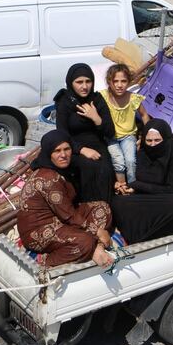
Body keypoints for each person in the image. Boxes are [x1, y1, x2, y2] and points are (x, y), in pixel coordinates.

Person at [17, 130, 114, 267]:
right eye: (57, 151)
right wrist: (97, 232)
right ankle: (45, 261)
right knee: (85, 242)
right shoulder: (48, 178)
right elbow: (68, 216)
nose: (63, 155)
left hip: (60, 218)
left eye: (67, 149)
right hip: (39, 230)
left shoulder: (61, 169)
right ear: (49, 153)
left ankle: (95, 247)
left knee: (102, 208)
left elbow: (68, 211)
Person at [111, 119, 173, 244]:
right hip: (141, 200)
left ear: (166, 139)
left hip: (162, 201)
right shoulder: (142, 154)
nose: (152, 145)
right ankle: (136, 235)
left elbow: (172, 190)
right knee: (117, 201)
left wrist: (137, 185)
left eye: (157, 140)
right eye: (149, 140)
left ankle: (140, 235)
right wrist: (125, 188)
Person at [55, 63, 116, 204]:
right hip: (73, 146)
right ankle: (86, 210)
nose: (84, 86)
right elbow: (62, 134)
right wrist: (82, 150)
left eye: (88, 81)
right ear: (71, 83)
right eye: (79, 82)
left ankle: (104, 211)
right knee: (86, 167)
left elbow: (110, 132)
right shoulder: (65, 102)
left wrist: (96, 118)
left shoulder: (97, 99)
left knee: (104, 168)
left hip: (97, 144)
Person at [100, 64, 150, 188]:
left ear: (129, 82)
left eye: (123, 81)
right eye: (115, 81)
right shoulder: (103, 96)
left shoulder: (133, 98)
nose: (119, 85)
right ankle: (122, 186)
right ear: (109, 82)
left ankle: (133, 186)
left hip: (128, 135)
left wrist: (145, 135)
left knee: (130, 161)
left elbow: (144, 115)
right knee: (118, 161)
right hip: (110, 137)